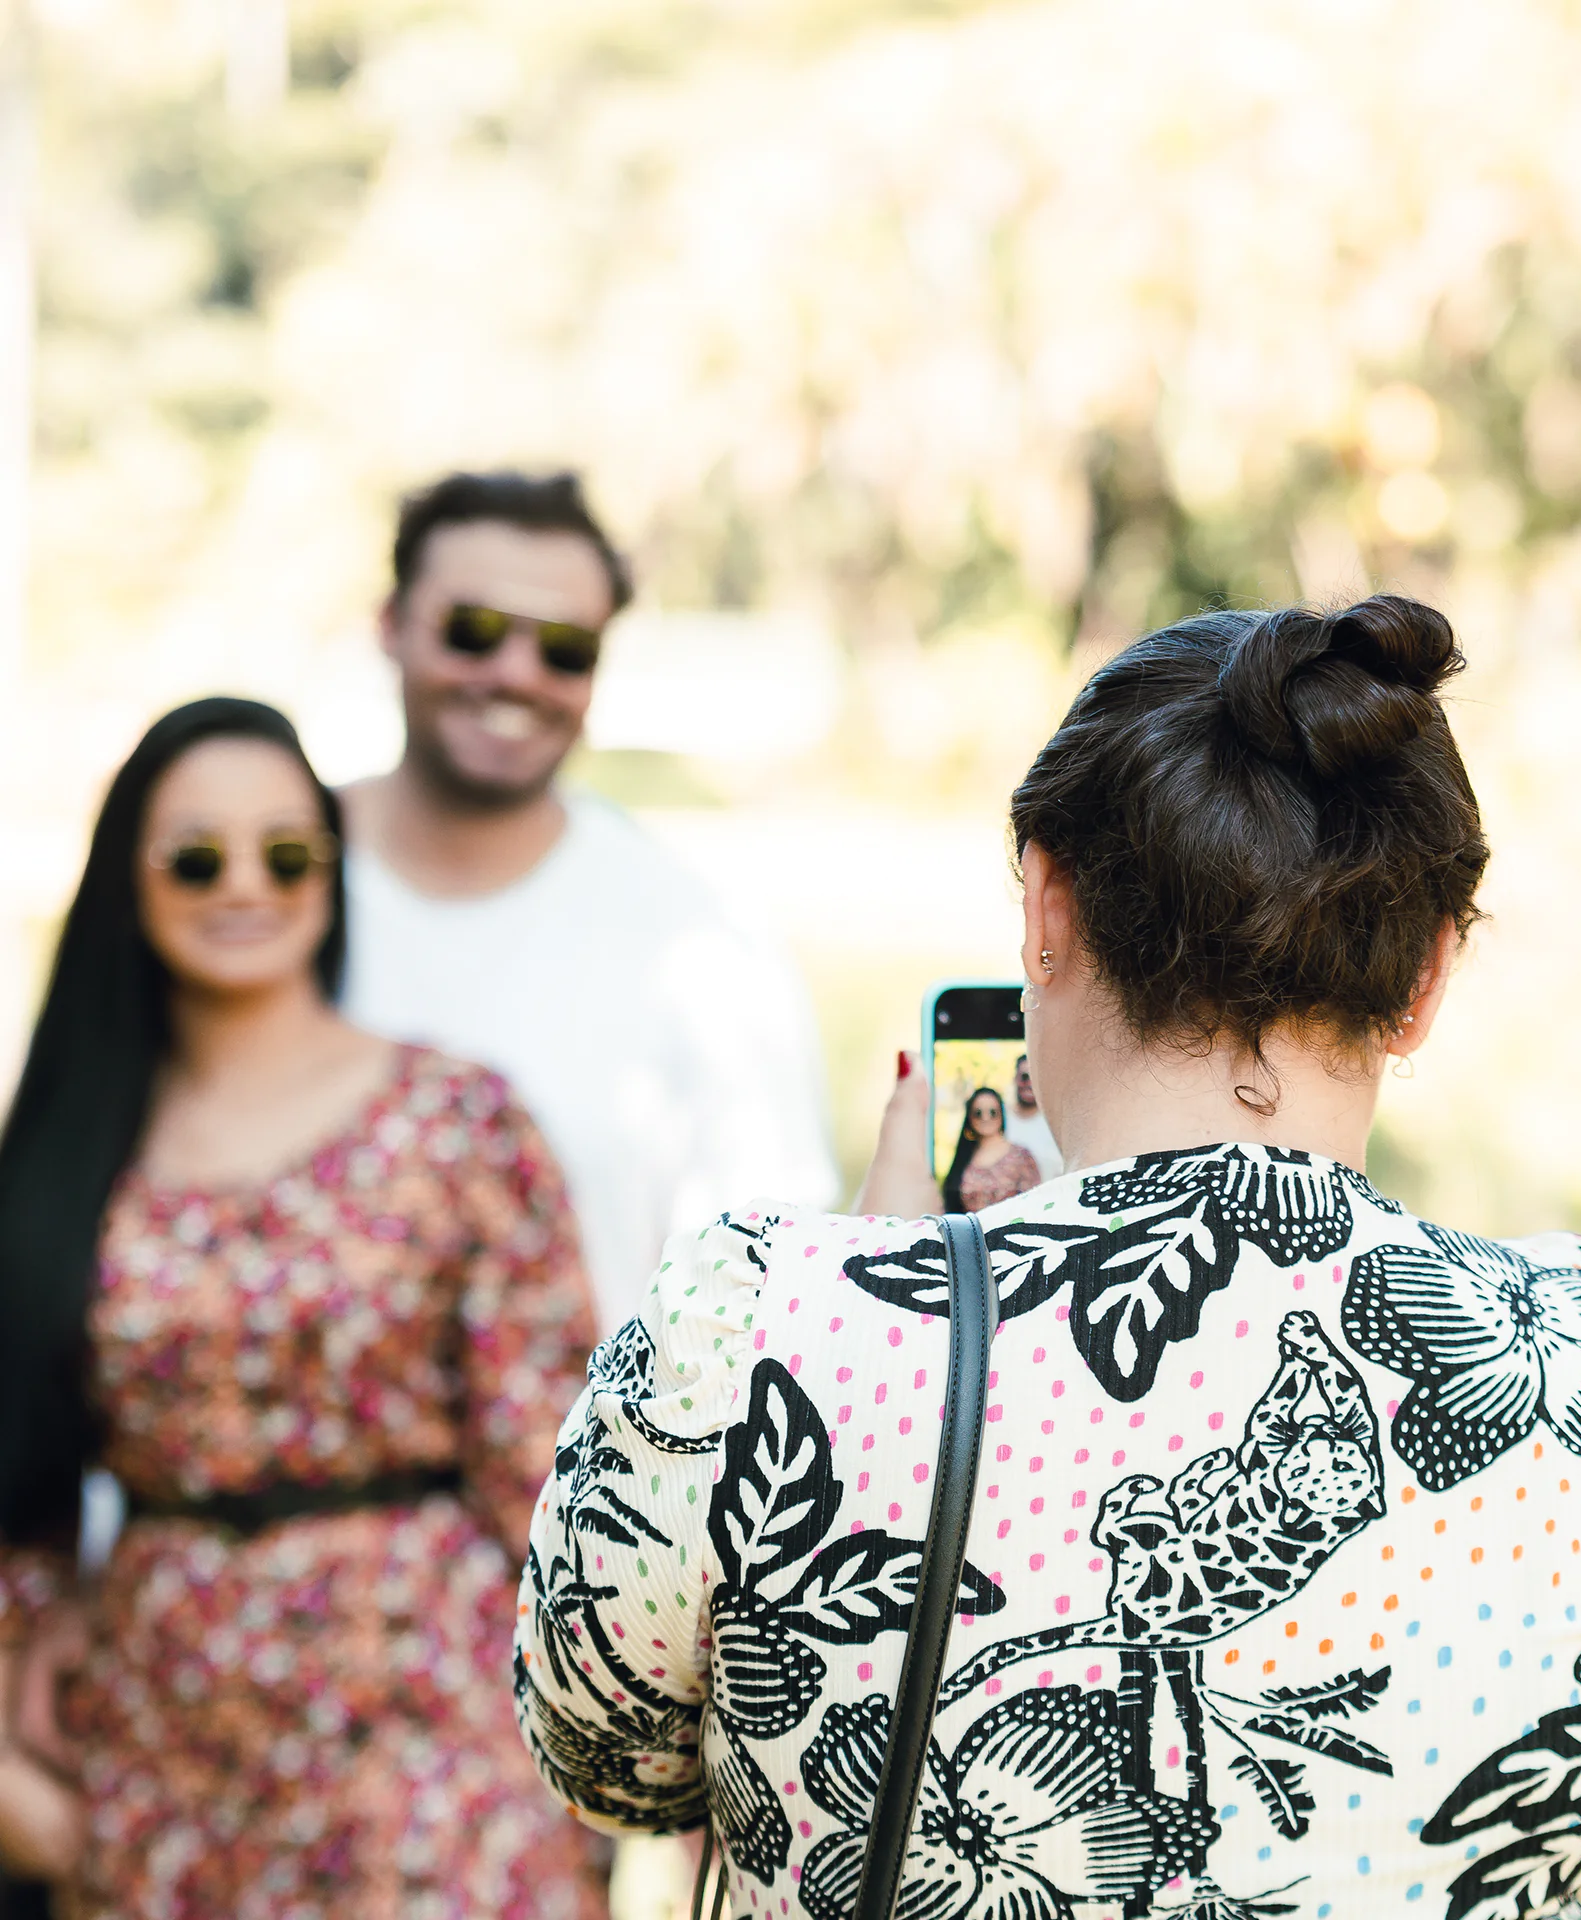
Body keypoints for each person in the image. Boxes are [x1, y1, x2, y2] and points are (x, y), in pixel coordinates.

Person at [510, 597, 1581, 1917]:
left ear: (1046, 909)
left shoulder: (767, 1325)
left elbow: (605, 1759)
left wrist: (868, 1288)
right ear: (1428, 978)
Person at [0, 699, 607, 1918]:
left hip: (430, 1726)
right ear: (131, 879)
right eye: (195, 854)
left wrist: (599, 1761)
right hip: (164, 1740)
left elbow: (552, 1477)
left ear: (331, 873)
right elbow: (19, 1463)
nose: (245, 885)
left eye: (286, 852)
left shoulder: (456, 1122)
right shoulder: (72, 1154)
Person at [340, 470, 839, 1332]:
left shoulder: (701, 947)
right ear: (389, 627)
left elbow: (768, 1292)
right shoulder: (253, 893)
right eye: (475, 630)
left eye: (566, 650)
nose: (516, 674)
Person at [941, 1086, 1042, 1211]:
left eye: (992, 1112)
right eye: (978, 1113)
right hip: (971, 1229)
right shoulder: (964, 1157)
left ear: (1001, 1114)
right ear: (970, 1118)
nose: (985, 1118)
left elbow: (1035, 1202)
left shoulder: (1021, 1157)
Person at [1004, 1050, 1063, 1181]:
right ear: (1015, 1079)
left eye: (1035, 1078)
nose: (1029, 1084)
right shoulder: (1000, 1119)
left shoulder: (1056, 1122)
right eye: (1025, 1077)